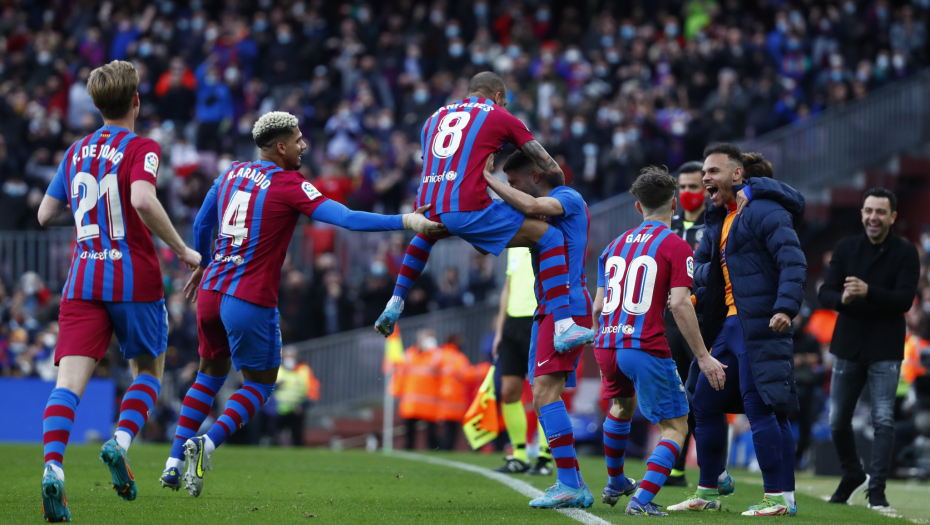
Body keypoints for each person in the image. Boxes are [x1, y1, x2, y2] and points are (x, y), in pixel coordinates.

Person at [159, 111, 443, 496]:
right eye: (297, 139)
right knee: (259, 386)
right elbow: (345, 217)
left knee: (208, 375)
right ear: (281, 147)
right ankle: (206, 444)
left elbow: (201, 225)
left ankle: (173, 463)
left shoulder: (230, 173)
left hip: (210, 292)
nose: (303, 145)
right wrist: (406, 221)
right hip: (248, 296)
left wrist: (205, 262)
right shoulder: (288, 183)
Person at [35, 60, 202, 522]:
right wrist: (184, 250)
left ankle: (53, 468)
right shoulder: (142, 147)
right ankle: (120, 441)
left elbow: (45, 215)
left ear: (95, 103)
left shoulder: (75, 151)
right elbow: (143, 200)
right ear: (136, 101)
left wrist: (90, 219)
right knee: (148, 370)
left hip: (82, 278)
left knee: (67, 385)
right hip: (133, 276)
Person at [373, 71, 595, 354]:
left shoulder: (432, 119)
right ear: (498, 96)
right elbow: (550, 167)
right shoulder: (499, 115)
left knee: (427, 235)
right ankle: (564, 326)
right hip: (468, 204)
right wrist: (558, 188)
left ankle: (396, 301)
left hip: (428, 203)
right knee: (550, 237)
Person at [668, 145, 806, 517]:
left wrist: (785, 307)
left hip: (757, 322)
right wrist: (696, 292)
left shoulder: (764, 208)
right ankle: (708, 489)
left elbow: (792, 260)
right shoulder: (717, 220)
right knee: (703, 402)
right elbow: (704, 269)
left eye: (713, 171)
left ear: (737, 175)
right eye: (705, 172)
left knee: (760, 406)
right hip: (725, 326)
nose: (706, 178)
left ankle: (778, 496)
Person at [591, 167, 727, 516]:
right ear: (675, 203)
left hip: (607, 343)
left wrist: (602, 341)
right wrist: (703, 355)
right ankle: (642, 498)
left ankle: (616, 480)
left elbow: (598, 305)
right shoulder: (676, 246)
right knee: (676, 426)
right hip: (644, 345)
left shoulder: (614, 245)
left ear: (638, 207)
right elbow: (680, 303)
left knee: (620, 407)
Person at [483, 150, 595, 509]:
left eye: (513, 181)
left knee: (545, 394)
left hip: (567, 305)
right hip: (548, 308)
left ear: (534, 175)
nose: (510, 188)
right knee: (544, 394)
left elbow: (529, 203)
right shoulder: (539, 206)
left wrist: (485, 178)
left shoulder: (567, 197)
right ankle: (574, 482)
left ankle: (567, 482)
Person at [818, 187, 919, 510]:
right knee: (837, 420)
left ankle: (877, 489)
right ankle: (852, 474)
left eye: (880, 211)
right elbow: (826, 294)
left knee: (883, 420)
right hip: (847, 344)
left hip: (886, 347)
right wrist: (843, 299)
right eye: (868, 211)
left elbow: (904, 299)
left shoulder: (906, 252)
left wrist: (866, 291)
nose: (873, 217)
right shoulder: (846, 248)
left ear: (892, 216)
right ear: (861, 214)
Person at [665, 160, 707, 487]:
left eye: (695, 187)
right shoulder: (668, 225)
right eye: (683, 187)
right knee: (675, 393)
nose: (688, 193)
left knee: (700, 395)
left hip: (702, 321)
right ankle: (676, 468)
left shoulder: (716, 224)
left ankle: (710, 469)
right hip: (667, 322)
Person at [491, 246, 552, 475]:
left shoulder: (546, 235)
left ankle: (544, 457)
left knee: (543, 392)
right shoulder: (514, 245)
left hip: (540, 318)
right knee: (508, 391)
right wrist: (499, 329)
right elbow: (508, 287)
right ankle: (518, 455)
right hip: (513, 324)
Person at [395, 329, 444, 450]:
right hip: (412, 399)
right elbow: (401, 373)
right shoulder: (409, 354)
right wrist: (397, 390)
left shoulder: (438, 355)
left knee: (431, 431)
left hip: (430, 399)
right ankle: (408, 448)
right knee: (409, 429)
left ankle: (433, 450)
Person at [273, 346, 320, 447]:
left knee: (297, 437)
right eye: (287, 356)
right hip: (277, 410)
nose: (289, 358)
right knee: (274, 436)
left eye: (292, 356)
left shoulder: (304, 370)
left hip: (296, 410)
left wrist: (303, 405)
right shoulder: (276, 368)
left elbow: (312, 390)